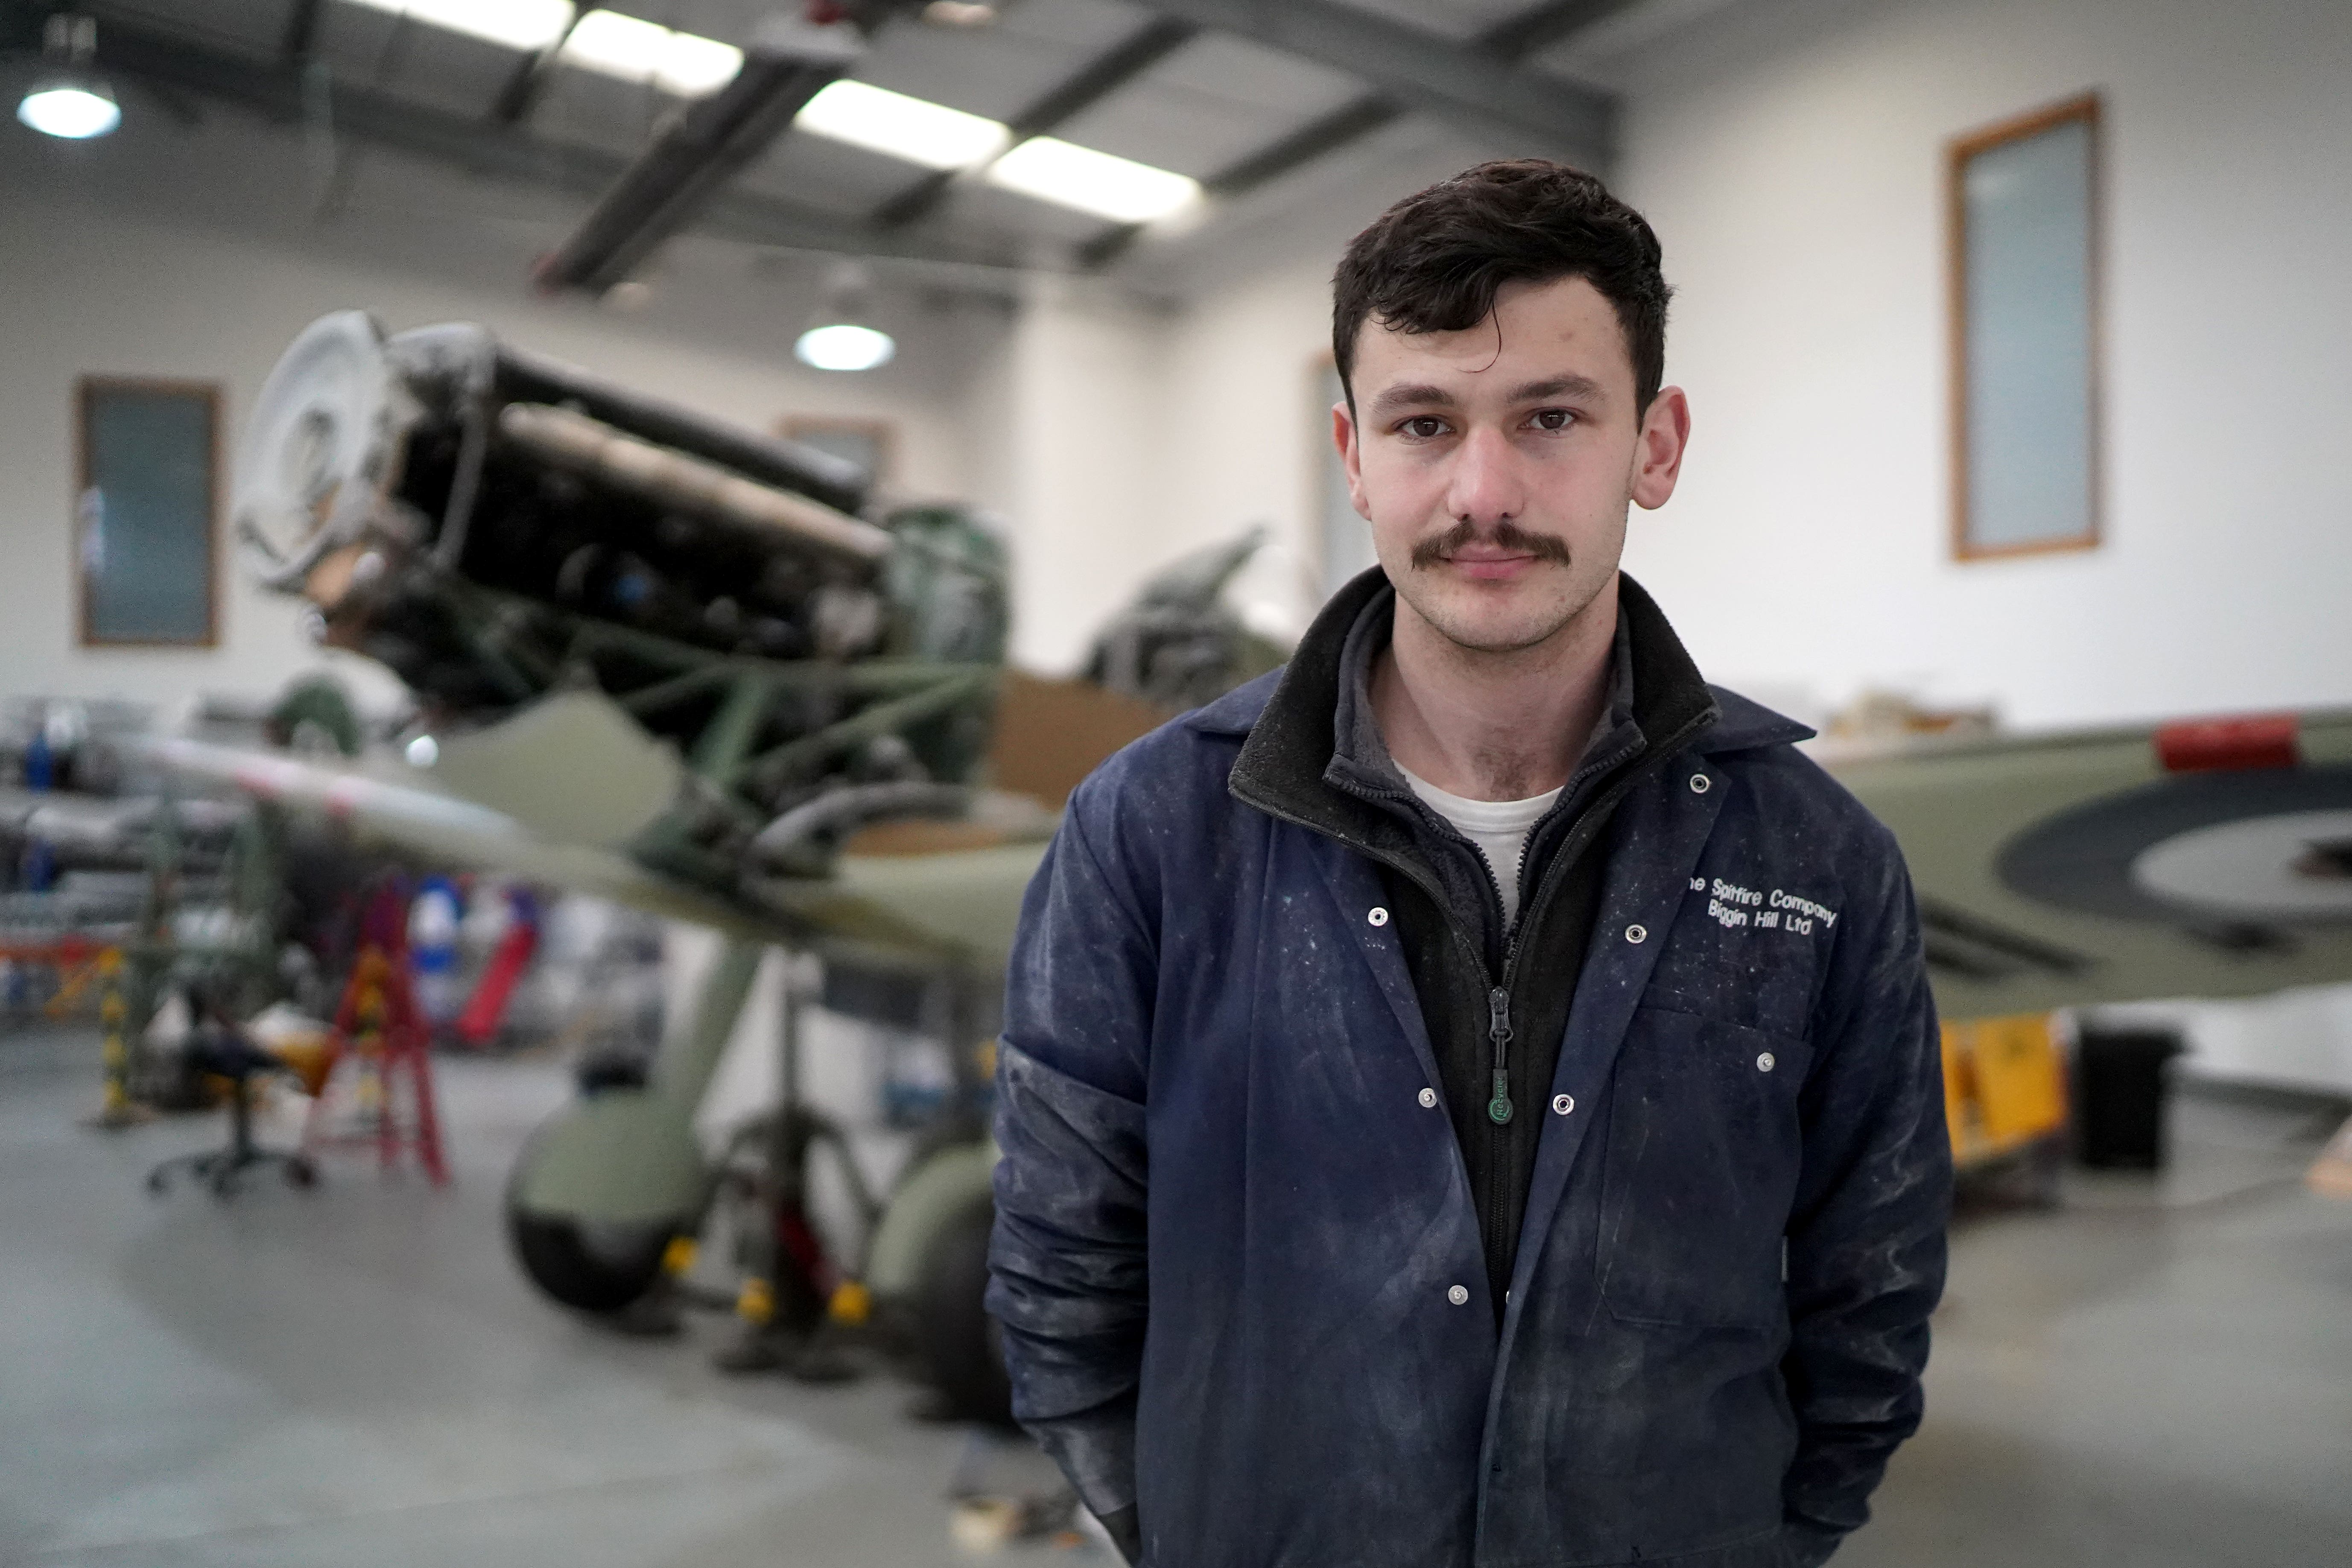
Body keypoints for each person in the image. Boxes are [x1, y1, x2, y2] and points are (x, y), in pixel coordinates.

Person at [987, 159, 1950, 1568]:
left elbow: (1874, 1288)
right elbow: (1062, 1261)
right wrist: (1181, 1526)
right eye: (1425, 422)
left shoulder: (1817, 860)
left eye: (1551, 418)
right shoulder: (1150, 832)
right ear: (1354, 457)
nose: (1482, 491)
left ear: (1657, 444)